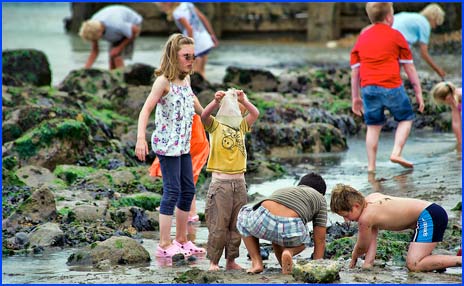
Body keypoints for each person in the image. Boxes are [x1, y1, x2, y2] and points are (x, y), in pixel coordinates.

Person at [135, 33, 205, 259]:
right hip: (167, 147)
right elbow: (145, 110)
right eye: (186, 56)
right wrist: (140, 139)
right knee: (172, 191)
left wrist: (217, 109)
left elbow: (198, 109)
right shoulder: (163, 81)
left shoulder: (186, 80)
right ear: (173, 56)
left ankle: (182, 240)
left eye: (193, 56)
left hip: (183, 146)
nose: (190, 60)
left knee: (189, 191)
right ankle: (164, 244)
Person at [350, 2, 424, 173]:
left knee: (373, 126)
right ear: (389, 17)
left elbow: (355, 72)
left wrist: (355, 97)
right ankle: (396, 152)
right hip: (391, 86)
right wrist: (418, 92)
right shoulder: (396, 36)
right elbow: (409, 67)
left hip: (368, 88)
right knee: (406, 118)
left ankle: (371, 167)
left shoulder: (362, 38)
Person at [330, 184, 462, 272]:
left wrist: (354, 256)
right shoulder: (371, 200)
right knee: (418, 259)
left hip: (428, 216)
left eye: (346, 215)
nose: (346, 220)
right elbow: (372, 238)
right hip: (432, 211)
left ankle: (459, 260)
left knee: (413, 264)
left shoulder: (365, 219)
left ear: (356, 206)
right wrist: (367, 264)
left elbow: (363, 246)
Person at [201, 88, 260, 271]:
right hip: (220, 184)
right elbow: (203, 116)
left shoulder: (242, 126)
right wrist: (215, 102)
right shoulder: (216, 126)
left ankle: (231, 260)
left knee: (236, 226)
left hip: (239, 183)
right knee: (218, 224)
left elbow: (255, 113)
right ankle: (213, 262)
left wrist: (244, 99)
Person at [237, 173, 328, 274]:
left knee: (243, 216)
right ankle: (288, 252)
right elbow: (320, 239)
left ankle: (257, 262)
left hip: (263, 219)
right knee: (304, 239)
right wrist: (317, 265)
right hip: (290, 224)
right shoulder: (320, 199)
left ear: (300, 185)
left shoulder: (287, 190)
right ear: (321, 193)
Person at [150, 113, 210, 223]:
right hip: (182, 141)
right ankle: (178, 207)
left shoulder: (190, 102)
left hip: (192, 142)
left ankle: (191, 212)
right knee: (179, 177)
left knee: (188, 178)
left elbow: (203, 113)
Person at [157, 2, 218, 79]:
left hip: (197, 43)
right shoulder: (188, 4)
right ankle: (204, 88)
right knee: (201, 71)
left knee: (194, 72)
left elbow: (189, 28)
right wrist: (212, 35)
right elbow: (203, 18)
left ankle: (194, 89)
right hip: (205, 40)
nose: (161, 7)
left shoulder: (177, 13)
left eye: (162, 4)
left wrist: (189, 47)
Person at [79, 5, 143, 70]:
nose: (95, 40)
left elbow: (136, 30)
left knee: (116, 56)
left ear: (100, 33)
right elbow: (95, 51)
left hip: (133, 24)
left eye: (95, 39)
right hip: (114, 25)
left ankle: (123, 77)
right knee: (111, 59)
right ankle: (113, 76)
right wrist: (86, 69)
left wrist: (119, 48)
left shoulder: (117, 25)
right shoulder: (92, 26)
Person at [392, 3, 446, 79]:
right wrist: (438, 70)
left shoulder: (411, 16)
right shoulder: (425, 24)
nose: (434, 27)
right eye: (436, 24)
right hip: (397, 42)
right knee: (411, 57)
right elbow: (424, 54)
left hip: (383, 34)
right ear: (434, 18)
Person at [430, 81, 462, 151]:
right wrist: (460, 141)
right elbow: (456, 122)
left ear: (447, 97)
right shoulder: (454, 102)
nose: (445, 103)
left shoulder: (461, 95)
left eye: (443, 101)